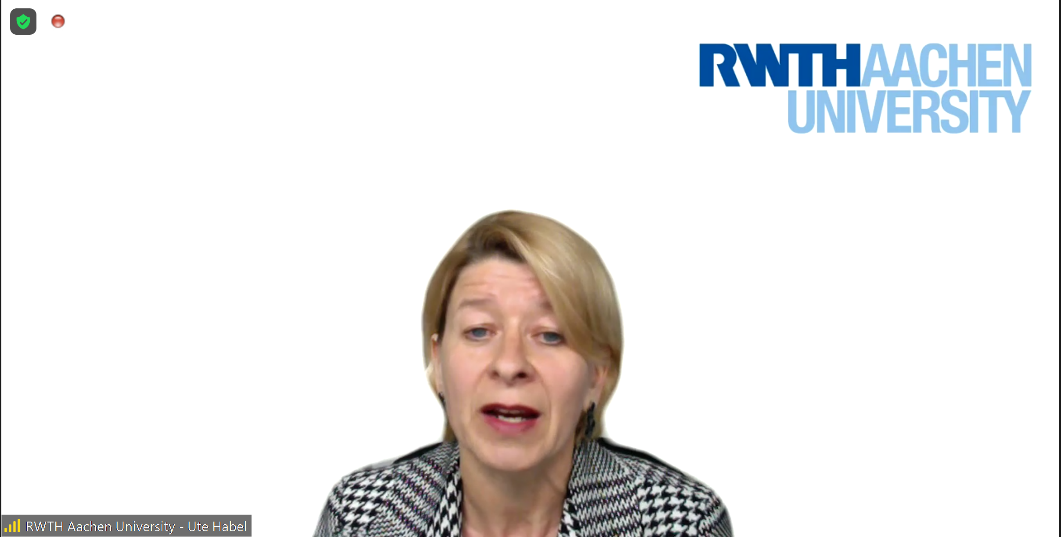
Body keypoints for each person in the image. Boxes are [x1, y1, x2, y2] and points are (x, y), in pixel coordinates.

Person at [314, 210, 732, 537]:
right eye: (479, 331)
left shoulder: (680, 523)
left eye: (550, 335)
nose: (510, 364)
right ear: (438, 364)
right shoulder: (360, 516)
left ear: (596, 375)